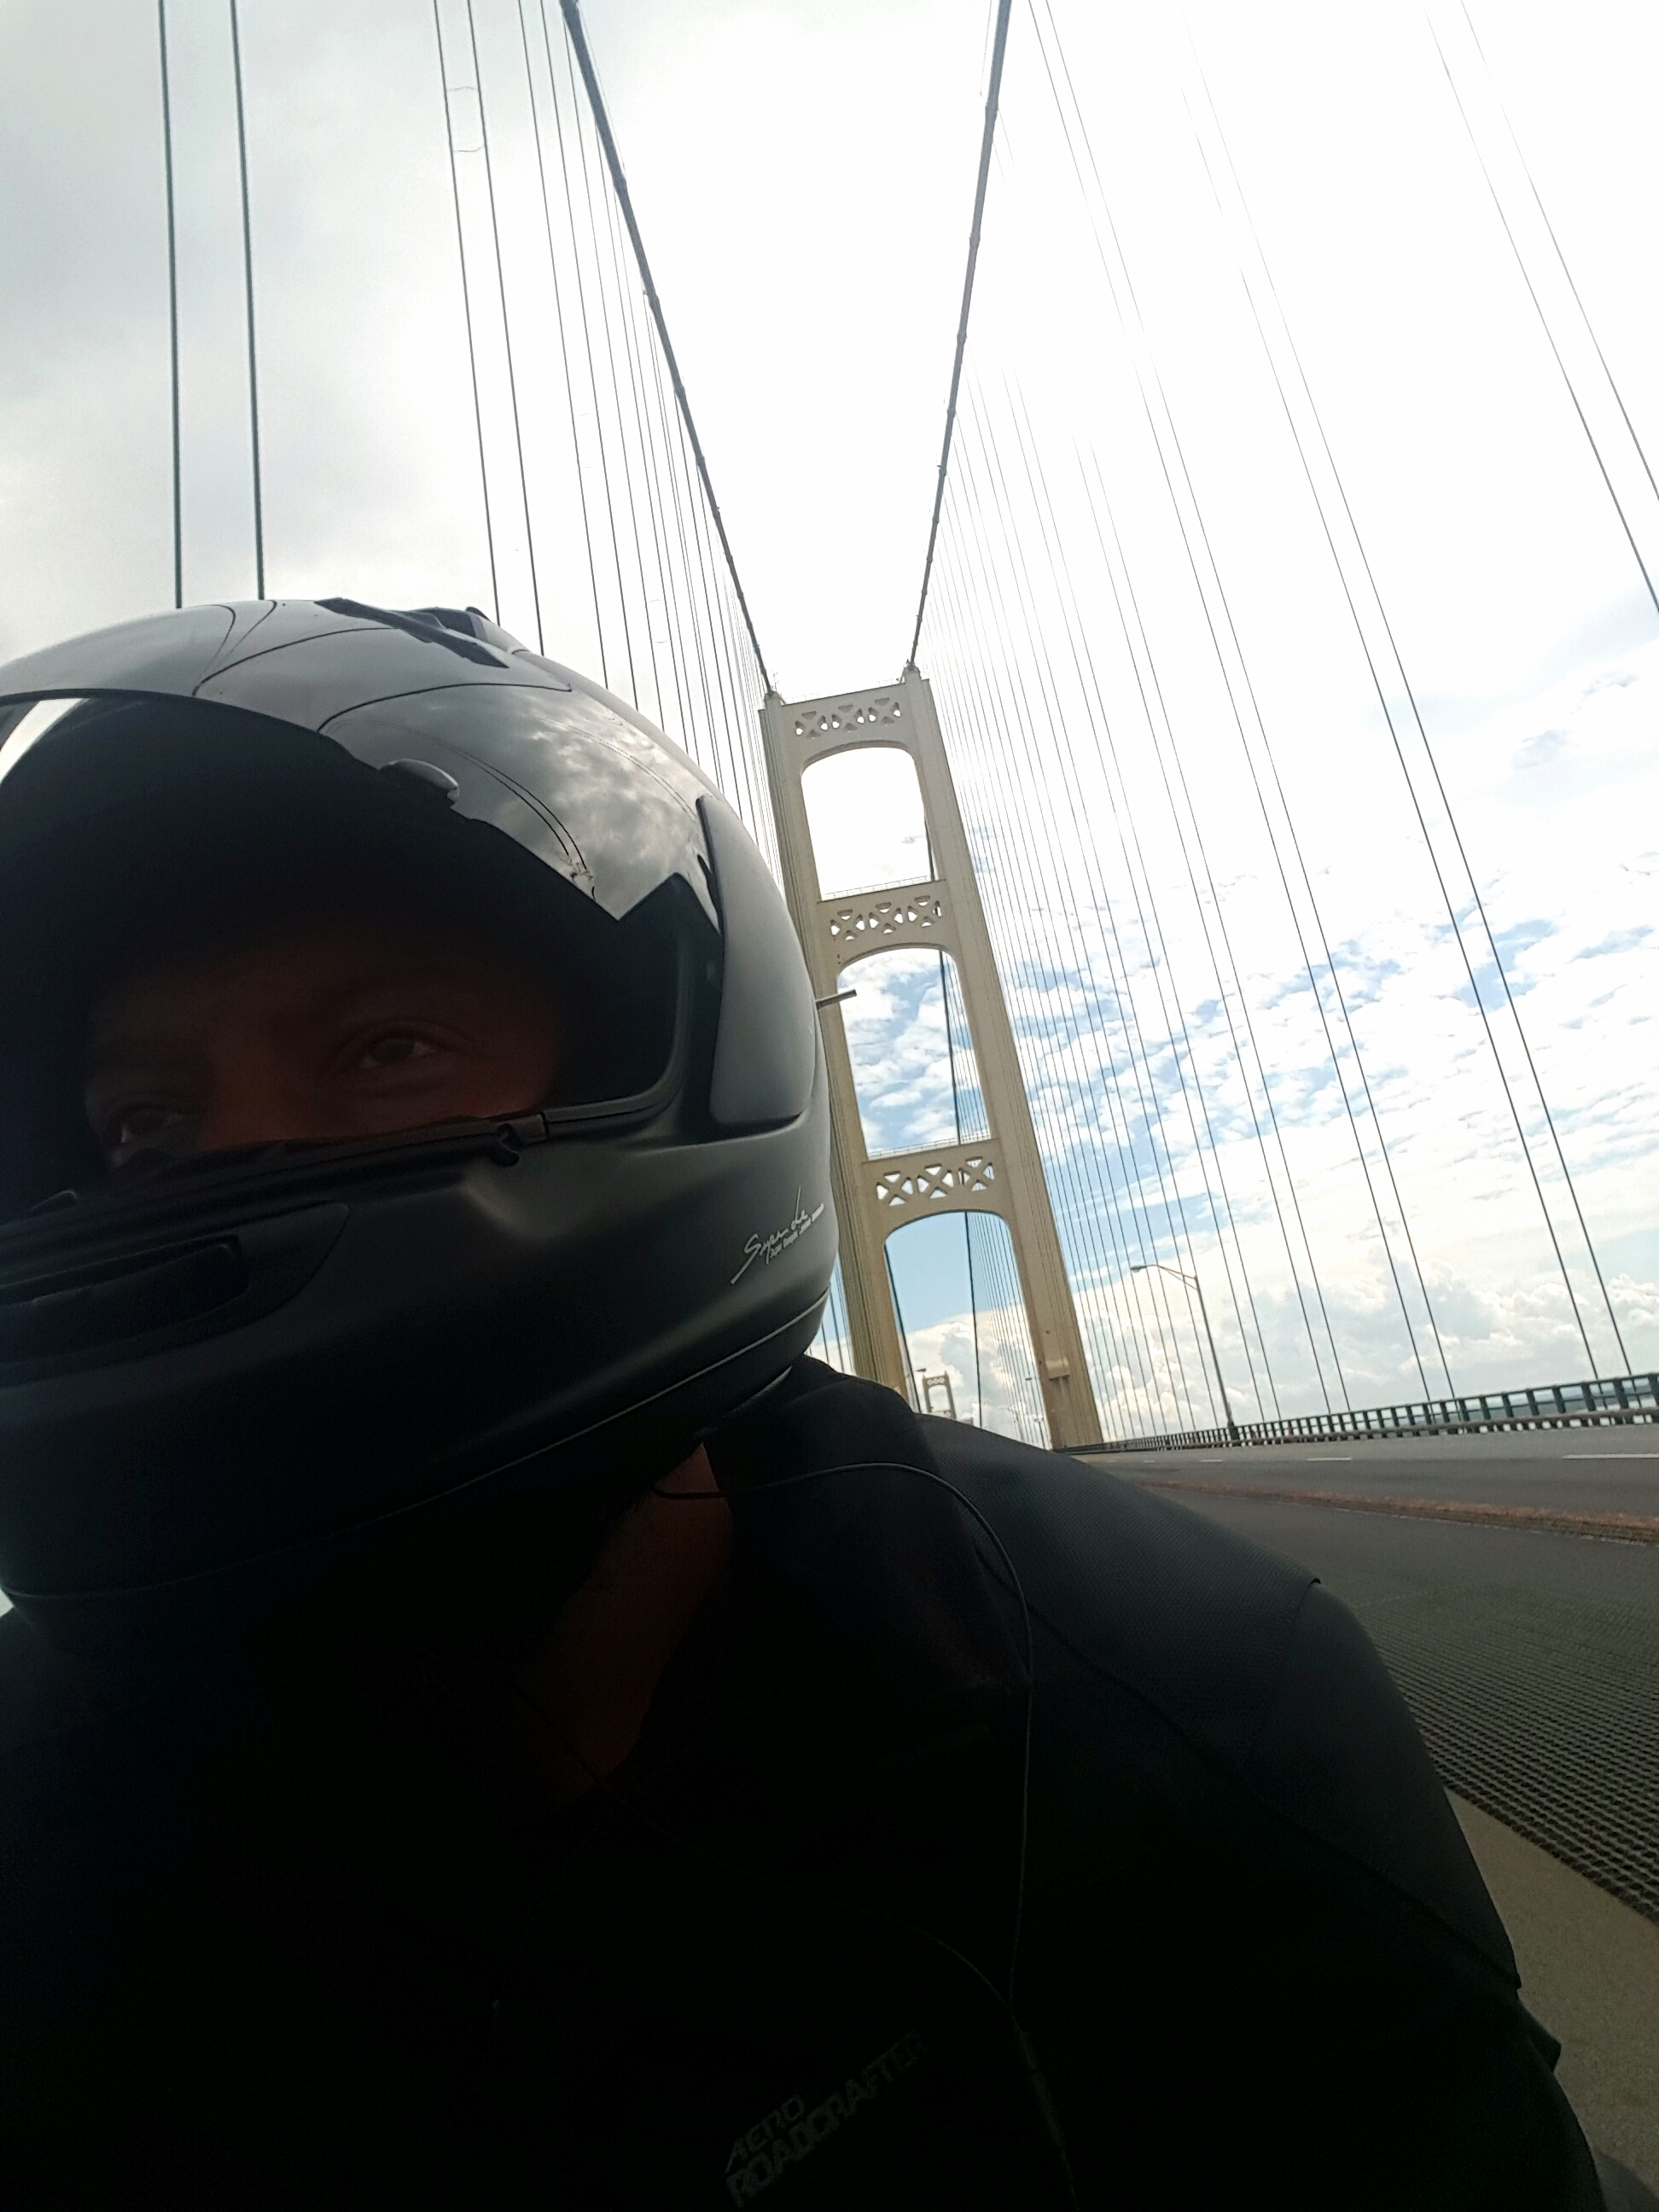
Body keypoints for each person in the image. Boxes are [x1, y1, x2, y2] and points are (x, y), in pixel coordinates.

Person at [0, 598, 1644, 2211]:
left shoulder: (1186, 1704)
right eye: (146, 1126)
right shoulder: (44, 1834)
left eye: (388, 1050)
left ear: (669, 1057)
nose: (226, 1171)